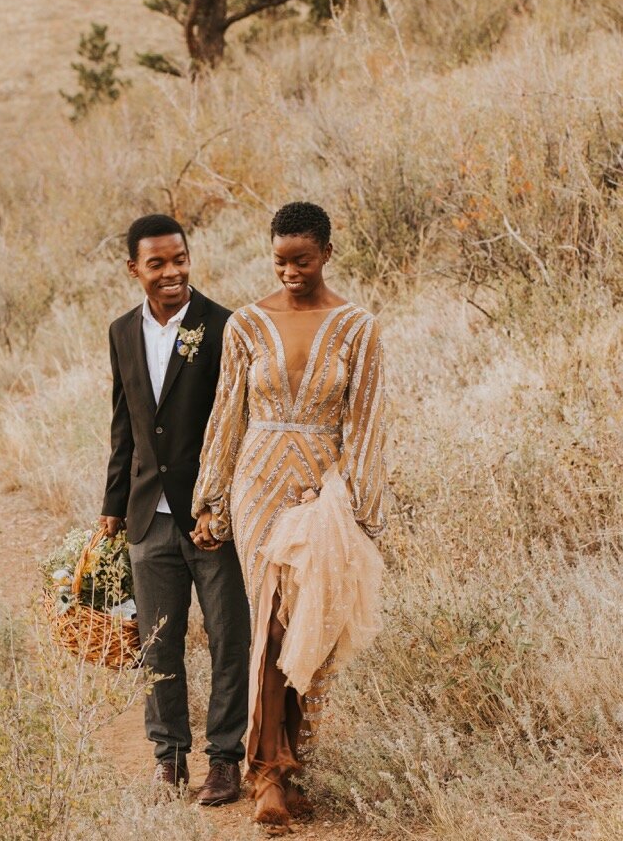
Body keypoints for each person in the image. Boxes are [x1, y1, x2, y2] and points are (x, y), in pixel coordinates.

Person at [190, 201, 387, 835]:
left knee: (313, 622)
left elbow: (366, 423)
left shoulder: (358, 327)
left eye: (301, 259)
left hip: (323, 488)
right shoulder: (247, 323)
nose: (290, 272)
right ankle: (265, 774)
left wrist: (361, 508)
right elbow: (227, 414)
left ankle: (291, 762)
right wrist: (212, 498)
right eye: (279, 260)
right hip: (259, 483)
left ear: (327, 252)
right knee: (271, 625)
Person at [101, 213, 250, 806]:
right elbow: (125, 425)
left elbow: (240, 424)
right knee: (156, 641)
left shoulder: (225, 327)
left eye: (180, 258)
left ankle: (224, 759)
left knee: (226, 637)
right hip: (147, 517)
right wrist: (113, 507)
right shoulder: (121, 331)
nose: (172, 272)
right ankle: (168, 759)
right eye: (157, 263)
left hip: (212, 515)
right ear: (133, 268)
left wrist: (226, 502)